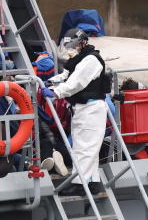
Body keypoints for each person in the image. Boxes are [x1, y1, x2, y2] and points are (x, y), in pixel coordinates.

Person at [41, 29, 110, 193]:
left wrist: (56, 92)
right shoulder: (79, 59)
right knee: (85, 147)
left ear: (83, 42)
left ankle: (80, 184)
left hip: (91, 109)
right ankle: (93, 181)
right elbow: (67, 76)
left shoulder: (91, 60)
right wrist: (50, 81)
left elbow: (75, 83)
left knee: (85, 148)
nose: (71, 48)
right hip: (82, 109)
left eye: (73, 44)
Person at [32, 52, 72, 176]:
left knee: (47, 144)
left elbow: (56, 122)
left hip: (58, 134)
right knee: (49, 144)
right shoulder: (46, 91)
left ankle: (52, 159)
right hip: (58, 136)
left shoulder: (49, 93)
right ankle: (54, 158)